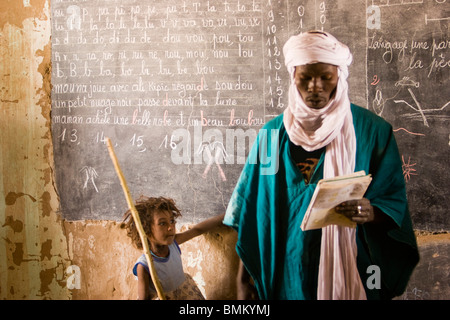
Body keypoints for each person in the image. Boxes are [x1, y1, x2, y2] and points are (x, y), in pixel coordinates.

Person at [223, 31, 420, 300]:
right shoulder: (270, 137)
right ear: (293, 76)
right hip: (286, 270)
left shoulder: (372, 132)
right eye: (305, 77)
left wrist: (370, 211)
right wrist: (243, 280)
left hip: (350, 263)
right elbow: (251, 212)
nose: (315, 86)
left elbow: (392, 200)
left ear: (339, 75)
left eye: (325, 77)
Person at [121, 195, 225, 300]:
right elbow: (143, 298)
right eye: (162, 223)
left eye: (172, 221)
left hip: (185, 291)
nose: (171, 227)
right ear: (146, 230)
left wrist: (227, 215)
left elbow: (197, 230)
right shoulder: (144, 266)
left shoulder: (173, 244)